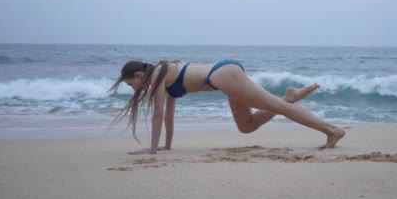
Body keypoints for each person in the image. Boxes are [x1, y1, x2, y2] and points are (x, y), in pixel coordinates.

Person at [108, 59, 346, 155]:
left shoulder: (159, 72)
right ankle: (289, 98)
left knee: (276, 107)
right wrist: (165, 146)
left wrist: (151, 151)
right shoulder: (163, 78)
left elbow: (157, 115)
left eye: (131, 83)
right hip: (222, 79)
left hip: (222, 74)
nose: (133, 88)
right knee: (246, 126)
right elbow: (168, 116)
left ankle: (332, 130)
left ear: (139, 74)